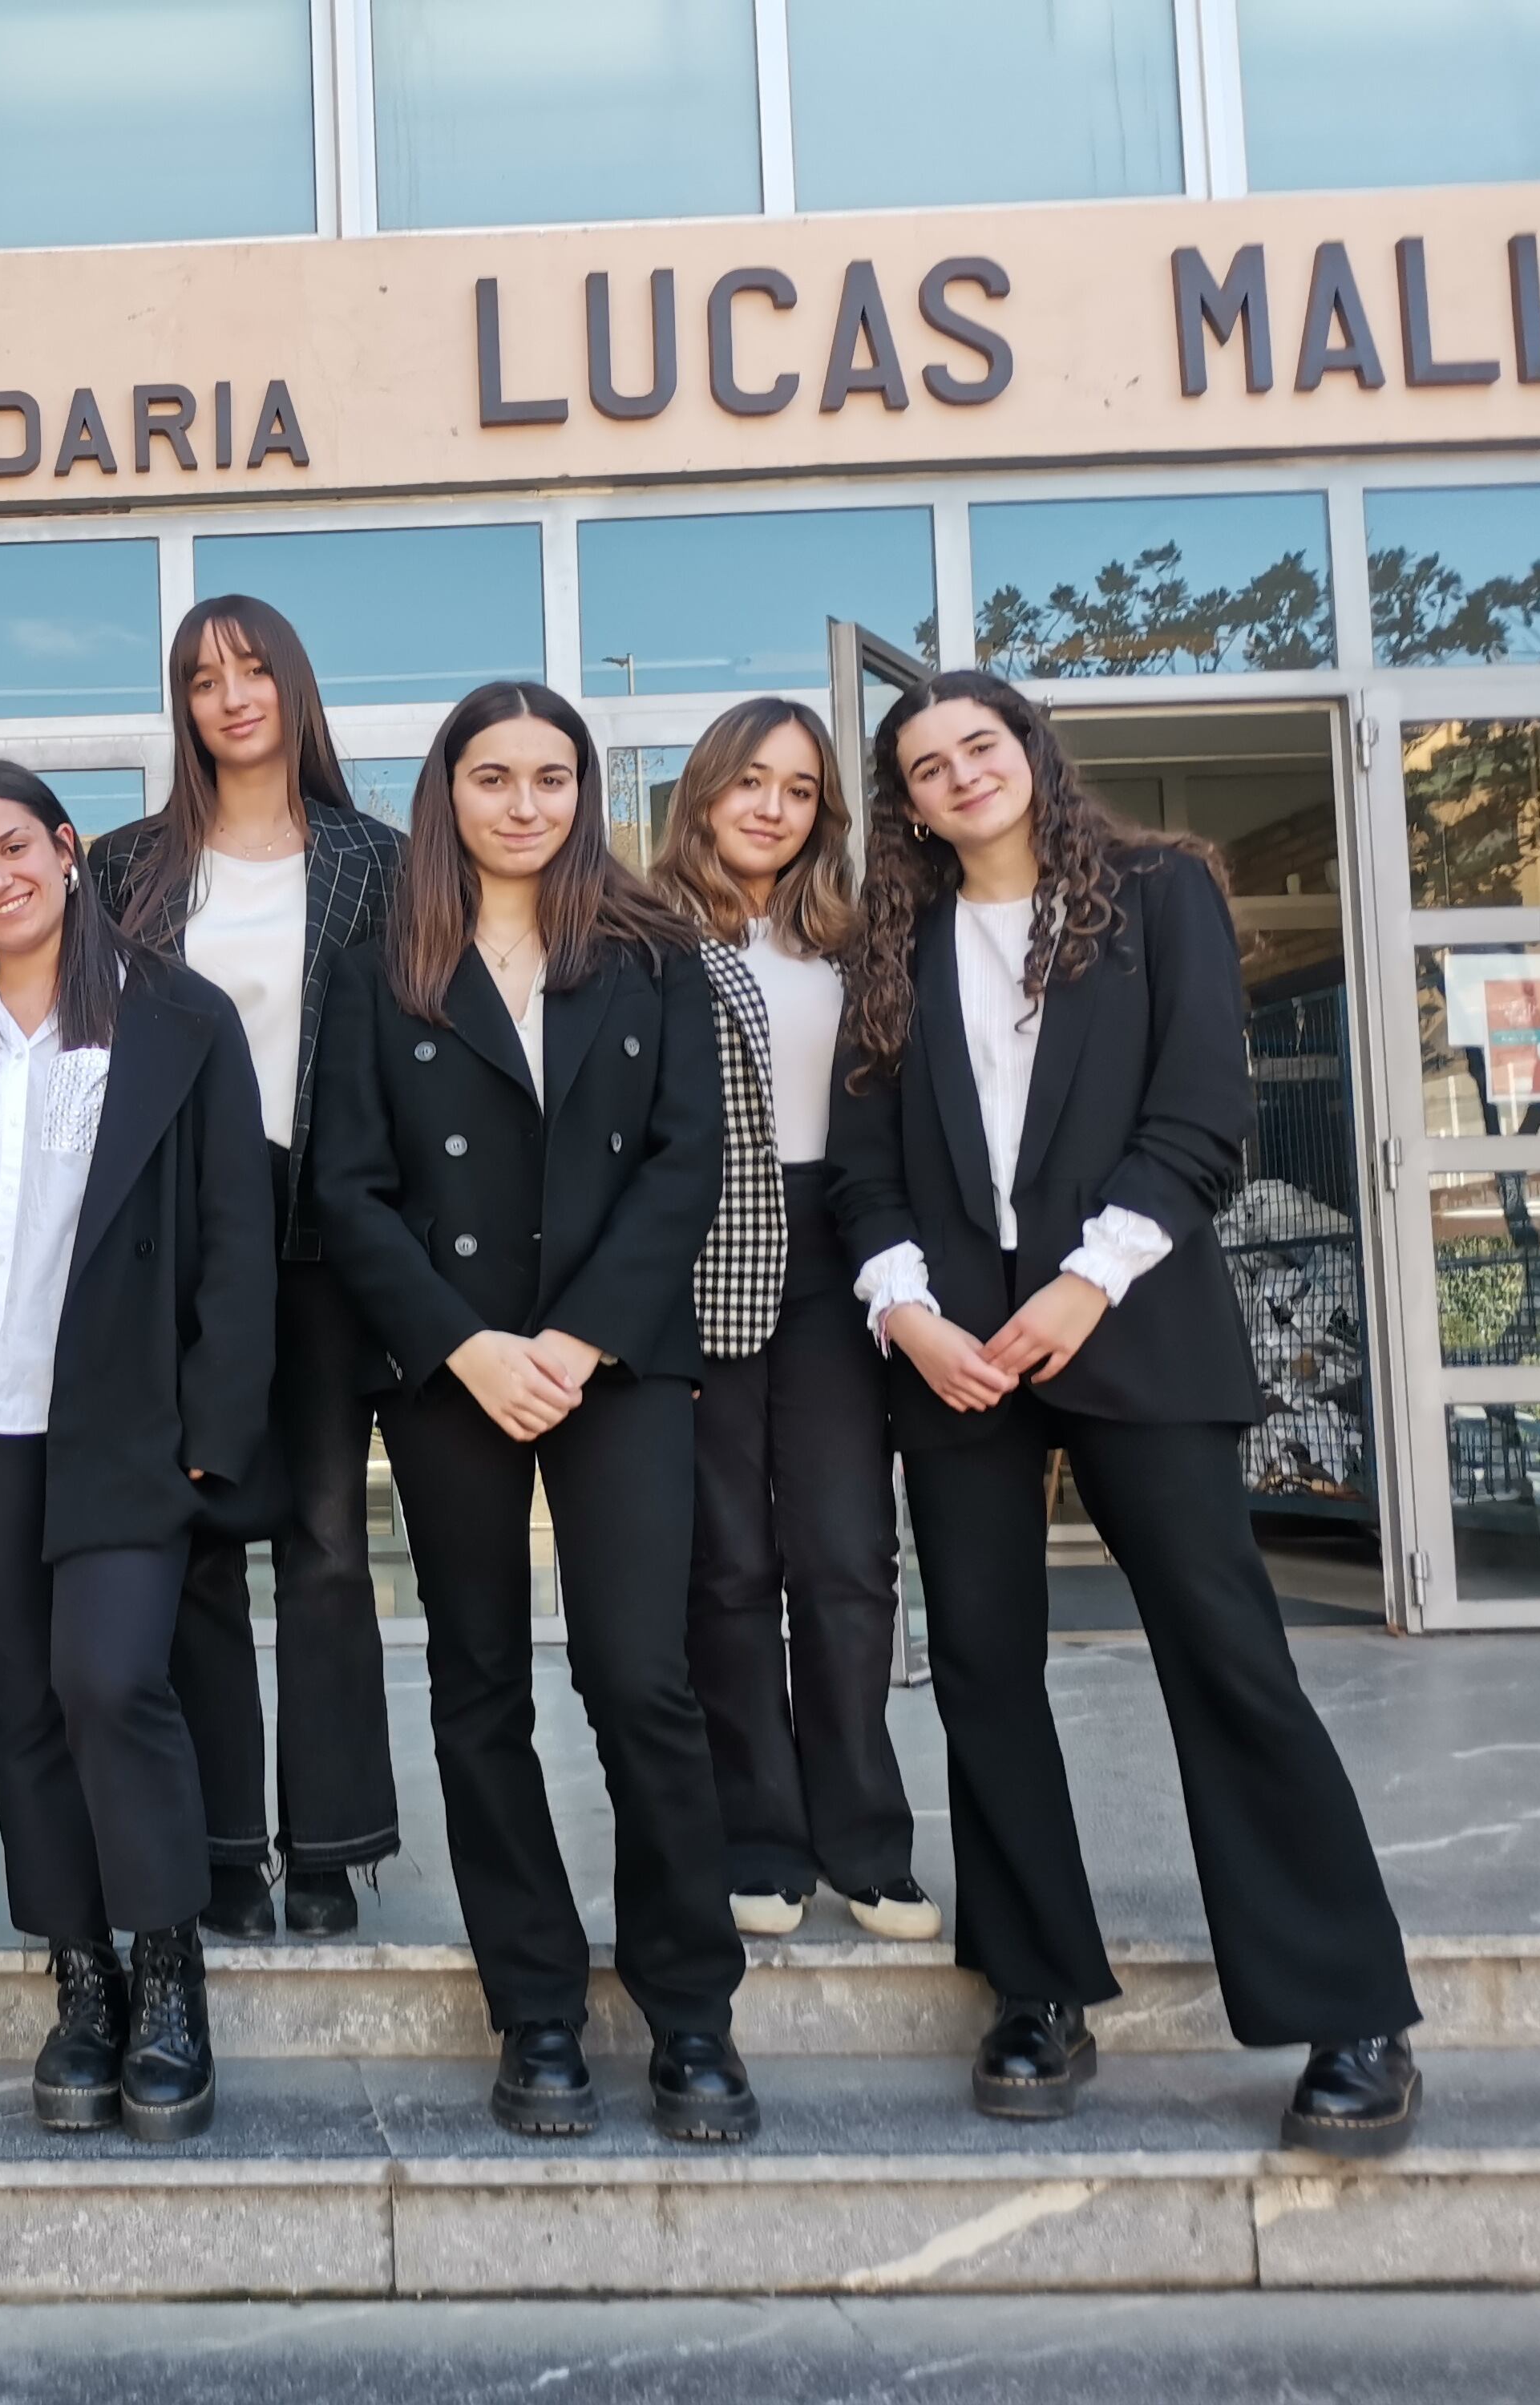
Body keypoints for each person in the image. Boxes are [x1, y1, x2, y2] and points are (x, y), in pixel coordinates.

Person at [828, 668, 1420, 2156]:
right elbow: (864, 1162)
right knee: (982, 1671)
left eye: (983, 745)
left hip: (1134, 1328)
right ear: (905, 803)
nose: (961, 774)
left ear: (1031, 753)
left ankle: (1350, 2007)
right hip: (958, 1353)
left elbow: (1201, 1117)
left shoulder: (1159, 893)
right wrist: (906, 1310)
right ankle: (1034, 1989)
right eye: (927, 764)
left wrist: (1088, 1284)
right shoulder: (894, 941)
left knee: (1229, 1658)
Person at [311, 680, 757, 2144]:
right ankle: (540, 2012)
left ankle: (693, 2014)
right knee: (481, 1683)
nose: (524, 803)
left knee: (644, 1678)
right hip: (452, 1372)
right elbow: (349, 1191)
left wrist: (567, 1340)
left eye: (552, 778)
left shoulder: (651, 953)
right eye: (493, 777)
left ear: (584, 791)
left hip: (615, 1361)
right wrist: (466, 1348)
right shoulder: (383, 961)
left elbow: (684, 1166)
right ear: (447, 791)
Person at [0, 762, 275, 2142]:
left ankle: (169, 1973)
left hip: (125, 1423)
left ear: (68, 851)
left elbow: (239, 1237)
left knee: (111, 1680)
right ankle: (83, 1977)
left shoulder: (179, 1017)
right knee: (22, 1708)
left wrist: (209, 1431)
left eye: (15, 849)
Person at [91, 595, 402, 1941]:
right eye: (203, 677)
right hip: (177, 1234)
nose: (231, 695)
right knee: (199, 1542)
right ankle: (222, 1843)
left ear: (295, 685)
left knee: (329, 1543)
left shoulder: (380, 862)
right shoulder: (125, 870)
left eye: (254, 668)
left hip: (331, 1227)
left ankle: (328, 1844)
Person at [645, 698, 936, 1945]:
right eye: (750, 781)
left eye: (800, 788)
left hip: (836, 1245)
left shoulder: (861, 938)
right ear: (705, 790)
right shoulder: (640, 934)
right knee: (726, 1565)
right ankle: (756, 1835)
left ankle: (865, 1838)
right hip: (700, 1256)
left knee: (842, 1559)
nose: (772, 805)